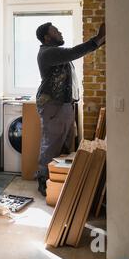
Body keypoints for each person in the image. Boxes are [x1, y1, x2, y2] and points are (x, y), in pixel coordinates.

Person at [34, 22, 106, 196]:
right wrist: (97, 39)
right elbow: (74, 52)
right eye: (55, 31)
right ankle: (44, 181)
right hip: (53, 105)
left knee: (64, 144)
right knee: (52, 145)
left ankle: (59, 181)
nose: (59, 32)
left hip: (62, 104)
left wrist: (101, 40)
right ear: (47, 37)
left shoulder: (55, 53)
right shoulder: (48, 53)